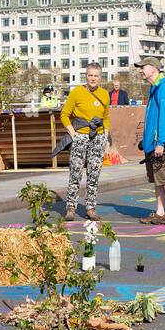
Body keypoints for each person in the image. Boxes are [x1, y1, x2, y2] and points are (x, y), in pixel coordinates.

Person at [59, 63, 111, 222]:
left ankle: (90, 208)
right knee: (75, 173)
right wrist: (73, 133)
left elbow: (106, 118)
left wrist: (106, 137)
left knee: (94, 174)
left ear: (100, 78)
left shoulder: (104, 94)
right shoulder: (77, 92)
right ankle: (71, 207)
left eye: (96, 75)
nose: (93, 78)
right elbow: (64, 115)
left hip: (98, 137)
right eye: (90, 75)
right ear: (86, 76)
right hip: (80, 137)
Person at [135, 56, 165, 225]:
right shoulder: (155, 88)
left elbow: (164, 118)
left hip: (160, 144)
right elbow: (152, 119)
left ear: (153, 68)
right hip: (153, 144)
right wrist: (146, 140)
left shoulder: (164, 89)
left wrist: (161, 143)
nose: (141, 70)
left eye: (143, 67)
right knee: (158, 179)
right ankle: (160, 212)